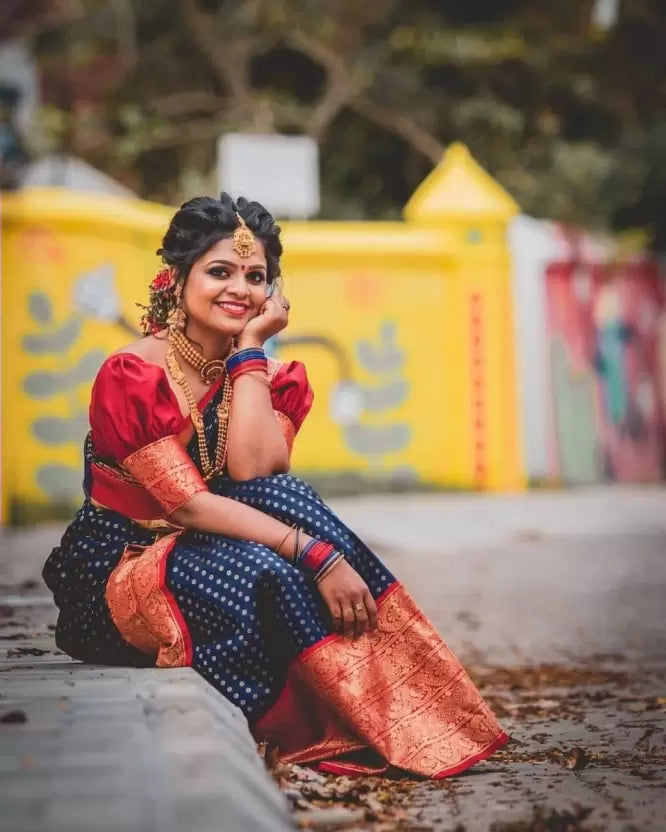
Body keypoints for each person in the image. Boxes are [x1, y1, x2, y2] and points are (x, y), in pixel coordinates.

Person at [43, 194, 508, 778]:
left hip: (205, 547)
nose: (240, 289)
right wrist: (316, 553)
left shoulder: (271, 376)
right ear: (176, 277)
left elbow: (255, 476)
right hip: (119, 570)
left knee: (282, 517)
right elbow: (187, 505)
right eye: (220, 272)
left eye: (256, 276)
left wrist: (250, 351)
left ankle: (404, 711)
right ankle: (333, 723)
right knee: (271, 570)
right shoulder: (132, 375)